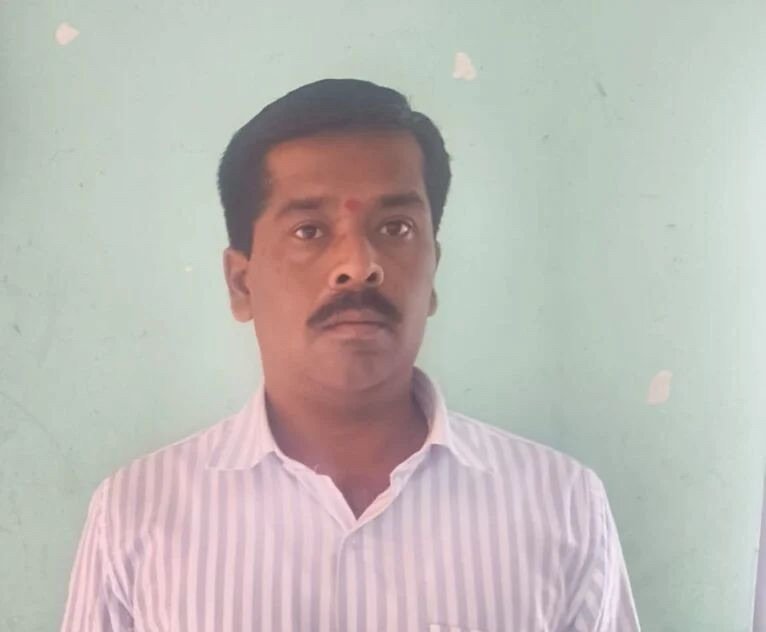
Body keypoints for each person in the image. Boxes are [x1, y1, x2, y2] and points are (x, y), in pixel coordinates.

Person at [60, 78, 641, 631]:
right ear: (241, 284)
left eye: (396, 228)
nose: (359, 266)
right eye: (309, 231)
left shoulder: (561, 506)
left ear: (433, 273)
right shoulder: (137, 514)